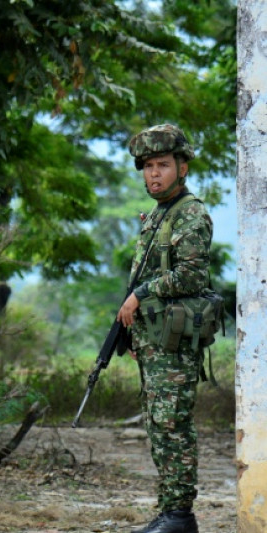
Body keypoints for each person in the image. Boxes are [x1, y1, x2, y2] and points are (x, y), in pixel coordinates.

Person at [116, 124, 213, 533]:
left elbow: (191, 275)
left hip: (175, 342)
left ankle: (179, 515)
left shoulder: (190, 213)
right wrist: (135, 330)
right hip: (156, 338)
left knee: (172, 424)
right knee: (159, 423)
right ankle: (170, 512)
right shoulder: (159, 214)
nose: (154, 174)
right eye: (148, 167)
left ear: (182, 168)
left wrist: (140, 294)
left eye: (163, 165)